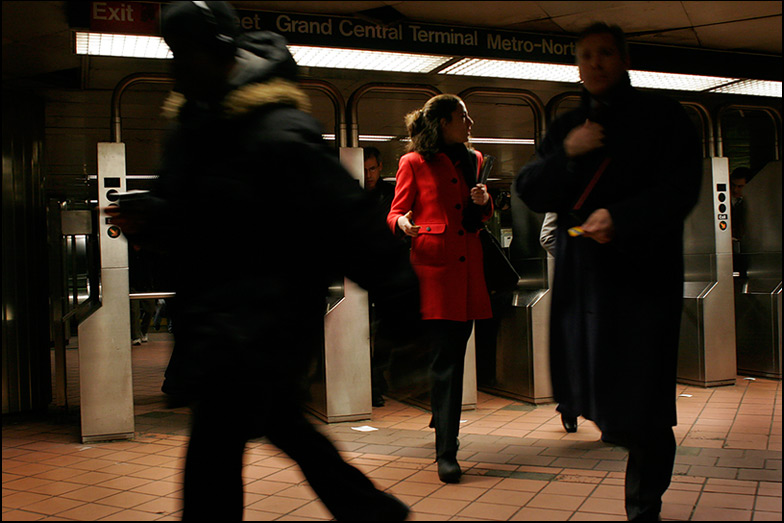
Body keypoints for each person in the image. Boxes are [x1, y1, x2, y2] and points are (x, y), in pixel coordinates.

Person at [107, 2, 419, 520]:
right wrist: (154, 219)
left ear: (223, 51)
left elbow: (344, 217)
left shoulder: (278, 130)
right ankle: (373, 512)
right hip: (218, 321)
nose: (178, 66)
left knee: (215, 454)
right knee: (284, 428)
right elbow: (196, 220)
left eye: (190, 53)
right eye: (173, 53)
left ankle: (371, 511)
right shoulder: (193, 129)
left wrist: (400, 298)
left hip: (267, 323)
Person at [515, 23, 701, 521]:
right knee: (599, 396)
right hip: (586, 287)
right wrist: (569, 152)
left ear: (623, 60)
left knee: (643, 406)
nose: (594, 63)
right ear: (576, 65)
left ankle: (644, 507)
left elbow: (681, 191)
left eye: (604, 54)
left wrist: (623, 219)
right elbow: (530, 188)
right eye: (585, 55)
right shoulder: (567, 127)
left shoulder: (663, 118)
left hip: (643, 283)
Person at [387, 94, 493, 484]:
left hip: (468, 273)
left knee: (453, 355)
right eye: (463, 116)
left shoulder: (477, 160)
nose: (470, 122)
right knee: (446, 362)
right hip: (433, 272)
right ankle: (447, 451)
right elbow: (396, 211)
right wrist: (401, 224)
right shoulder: (412, 162)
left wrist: (485, 201)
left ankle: (441, 415)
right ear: (444, 121)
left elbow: (481, 214)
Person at [363, 147, 397, 407]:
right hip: (362, 269)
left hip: (386, 269)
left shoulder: (392, 192)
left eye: (372, 169)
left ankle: (376, 381)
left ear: (380, 167)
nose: (369, 174)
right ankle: (372, 380)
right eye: (364, 170)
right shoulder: (353, 192)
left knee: (385, 329)